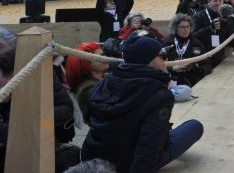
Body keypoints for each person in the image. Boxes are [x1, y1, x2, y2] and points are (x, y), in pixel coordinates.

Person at [81, 34, 204, 172]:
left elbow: (88, 118)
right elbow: (148, 148)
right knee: (195, 126)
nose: (166, 58)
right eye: (162, 55)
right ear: (148, 61)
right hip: (127, 163)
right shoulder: (159, 95)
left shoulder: (104, 82)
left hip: (93, 157)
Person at [161, 13, 211, 87]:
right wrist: (172, 68)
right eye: (182, 27)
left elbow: (207, 65)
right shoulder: (166, 42)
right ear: (175, 28)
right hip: (170, 80)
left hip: (191, 81)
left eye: (188, 26)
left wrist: (195, 68)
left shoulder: (196, 43)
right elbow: (156, 64)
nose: (186, 29)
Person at [65, 42, 109, 124]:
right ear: (85, 62)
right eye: (101, 55)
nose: (106, 57)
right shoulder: (88, 88)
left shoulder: (103, 80)